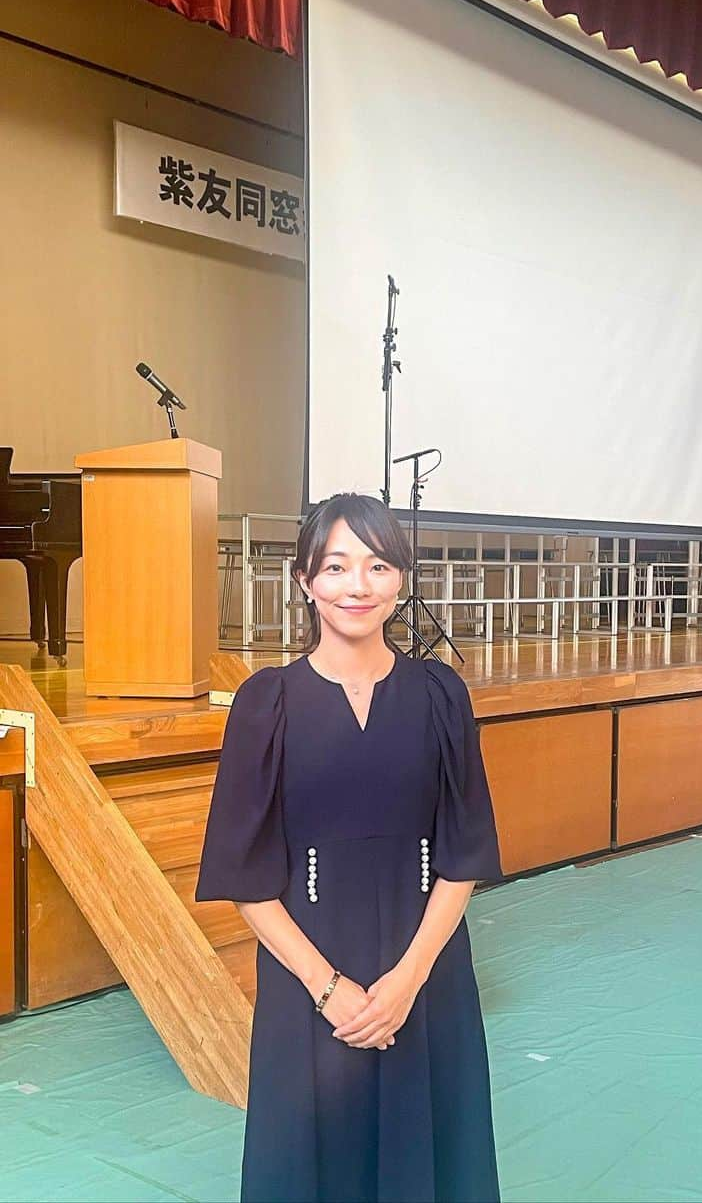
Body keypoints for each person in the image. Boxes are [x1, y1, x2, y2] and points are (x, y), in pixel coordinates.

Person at [196, 493, 502, 1203]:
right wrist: (328, 989)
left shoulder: (440, 693)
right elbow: (246, 872)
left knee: (430, 1153)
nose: (357, 585)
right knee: (309, 1163)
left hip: (424, 967)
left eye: (376, 565)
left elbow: (465, 850)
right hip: (308, 976)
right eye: (335, 566)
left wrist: (407, 981)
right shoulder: (264, 701)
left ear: (400, 579)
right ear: (305, 581)